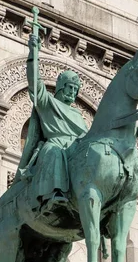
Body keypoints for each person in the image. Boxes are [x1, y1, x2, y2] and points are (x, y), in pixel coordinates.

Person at [17, 34, 88, 213]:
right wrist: (34, 53)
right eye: (69, 87)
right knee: (55, 152)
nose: (72, 92)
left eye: (75, 89)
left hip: (76, 148)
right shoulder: (48, 103)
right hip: (55, 145)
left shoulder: (78, 115)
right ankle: (54, 194)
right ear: (61, 87)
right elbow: (35, 84)